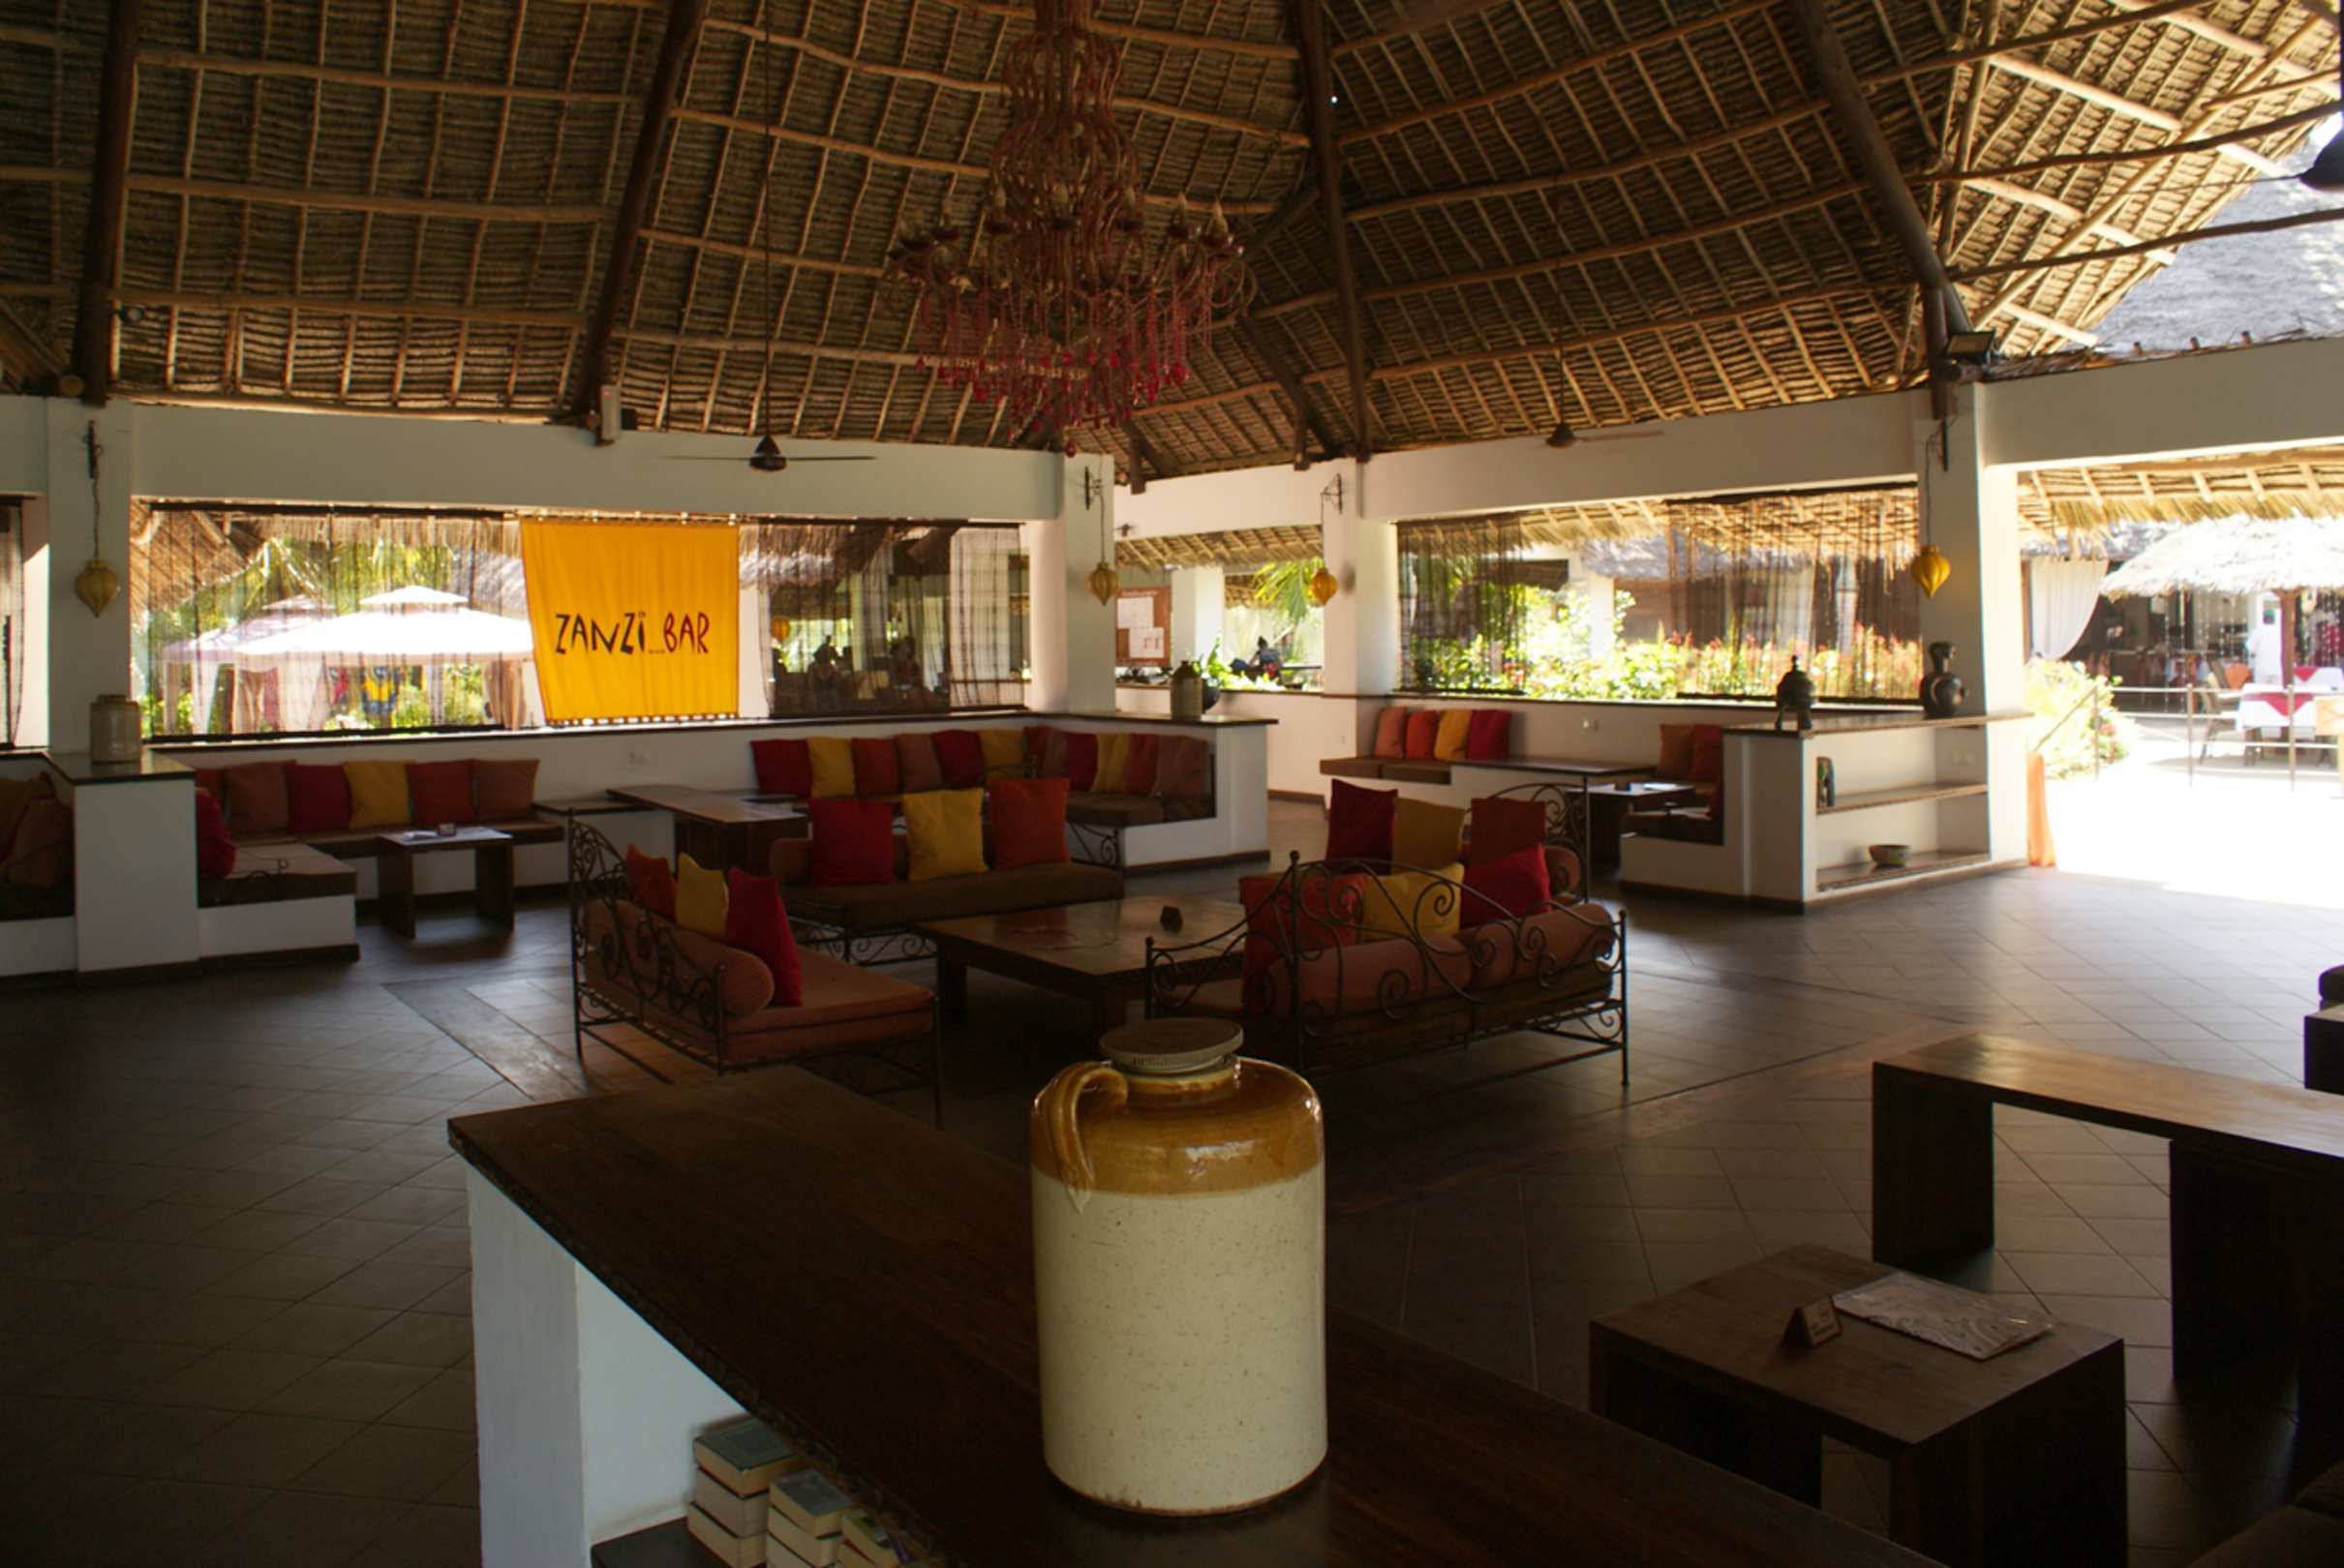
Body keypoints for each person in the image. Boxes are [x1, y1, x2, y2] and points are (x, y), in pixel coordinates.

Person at [2247, 601, 2283, 686]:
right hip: (2277, 668)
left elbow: (2251, 649)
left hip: (2262, 669)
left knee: (2261, 691)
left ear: (2264, 619)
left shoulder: (2258, 631)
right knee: (2276, 692)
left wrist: (2253, 655)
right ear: (2274, 619)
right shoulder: (2280, 631)